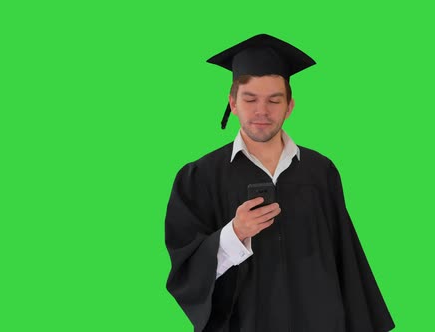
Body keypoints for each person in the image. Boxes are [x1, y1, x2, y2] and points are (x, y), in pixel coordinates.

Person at [165, 34, 395, 332]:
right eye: (250, 99)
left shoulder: (319, 171)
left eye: (274, 100)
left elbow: (346, 257)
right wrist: (235, 233)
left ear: (289, 106)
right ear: (232, 102)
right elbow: (185, 272)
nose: (262, 110)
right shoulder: (200, 176)